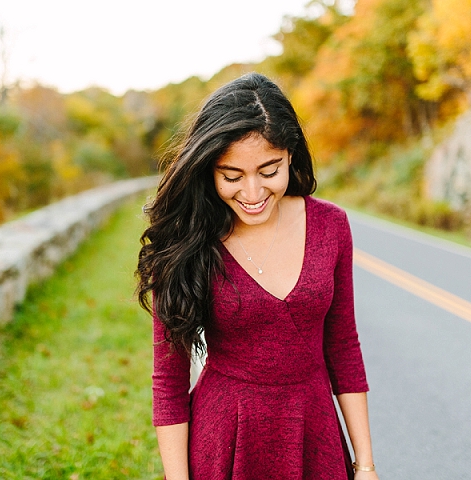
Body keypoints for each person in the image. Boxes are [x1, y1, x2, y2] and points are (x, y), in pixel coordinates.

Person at [137, 72, 379, 479]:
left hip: (313, 437)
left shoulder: (330, 226)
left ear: (290, 155)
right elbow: (169, 382)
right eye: (231, 177)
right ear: (209, 169)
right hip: (224, 442)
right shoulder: (187, 242)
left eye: (269, 171)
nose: (251, 193)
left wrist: (366, 465)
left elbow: (343, 347)